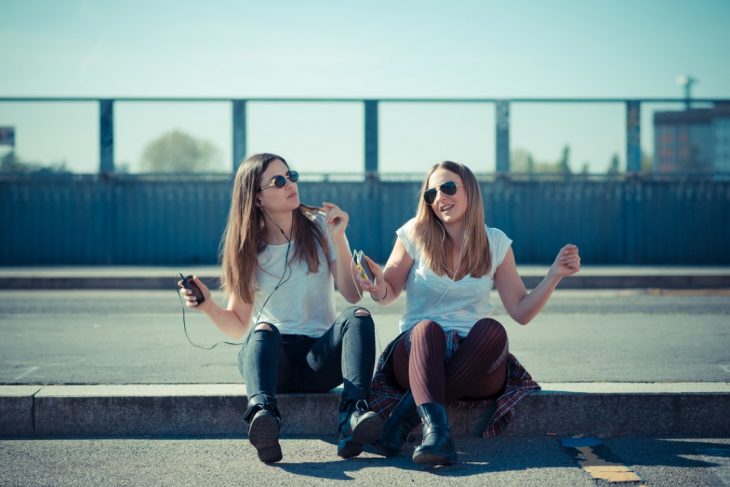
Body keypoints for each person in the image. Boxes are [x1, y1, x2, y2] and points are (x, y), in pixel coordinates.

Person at [357, 160, 581, 466]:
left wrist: (554, 274)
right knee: (427, 329)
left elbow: (521, 311)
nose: (439, 198)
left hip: (474, 362)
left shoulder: (496, 242)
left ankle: (402, 421)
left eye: (448, 188)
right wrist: (377, 285)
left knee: (493, 330)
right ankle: (437, 434)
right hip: (416, 356)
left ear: (470, 192)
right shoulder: (413, 233)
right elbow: (388, 292)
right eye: (431, 194)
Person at [178, 153, 382, 464]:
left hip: (320, 359)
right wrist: (207, 305)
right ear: (256, 199)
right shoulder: (247, 248)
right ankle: (263, 418)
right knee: (264, 329)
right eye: (279, 181)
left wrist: (339, 239)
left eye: (291, 175)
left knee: (359, 317)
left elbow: (353, 295)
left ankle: (352, 418)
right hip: (275, 361)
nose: (290, 184)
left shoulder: (319, 226)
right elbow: (237, 325)